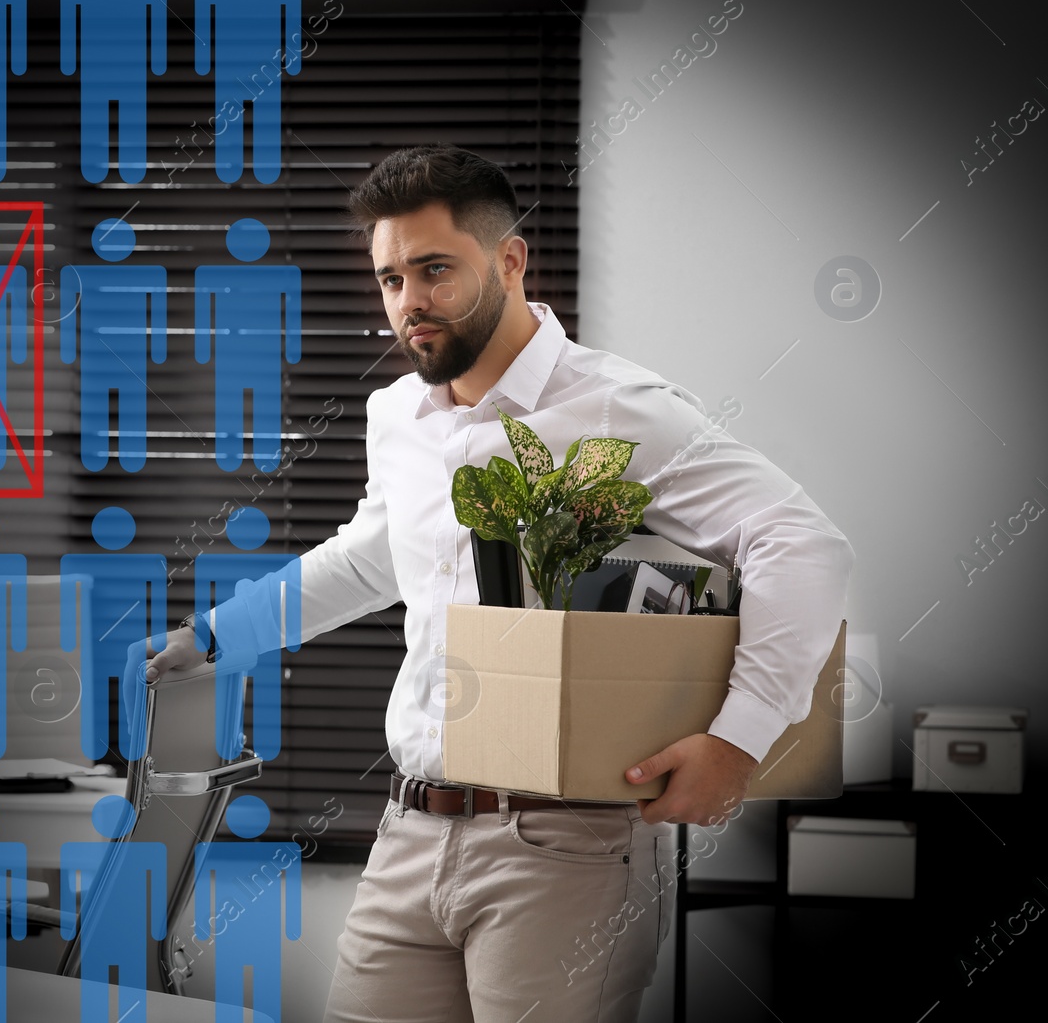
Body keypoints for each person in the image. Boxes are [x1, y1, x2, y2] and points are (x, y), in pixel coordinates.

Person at [133, 143, 855, 1022]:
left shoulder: (624, 407)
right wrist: (212, 635)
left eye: (435, 269)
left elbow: (802, 541)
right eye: (391, 278)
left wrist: (739, 741)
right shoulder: (394, 414)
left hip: (567, 842)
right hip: (409, 828)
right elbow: (371, 556)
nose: (410, 302)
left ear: (511, 260)